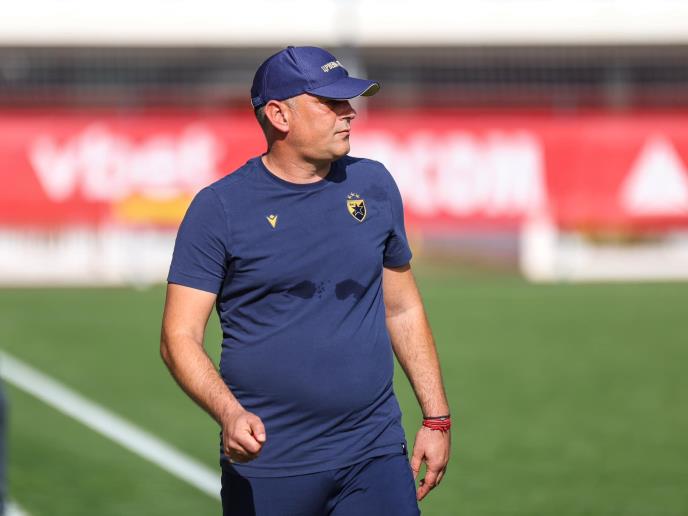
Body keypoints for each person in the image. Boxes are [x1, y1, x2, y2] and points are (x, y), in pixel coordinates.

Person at [160, 46, 451, 516]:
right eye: (330, 103)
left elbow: (403, 308)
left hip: (374, 454)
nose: (349, 112)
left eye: (347, 101)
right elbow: (179, 337)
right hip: (269, 463)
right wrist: (229, 412)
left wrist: (436, 418)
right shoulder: (219, 208)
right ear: (279, 115)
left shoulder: (374, 184)